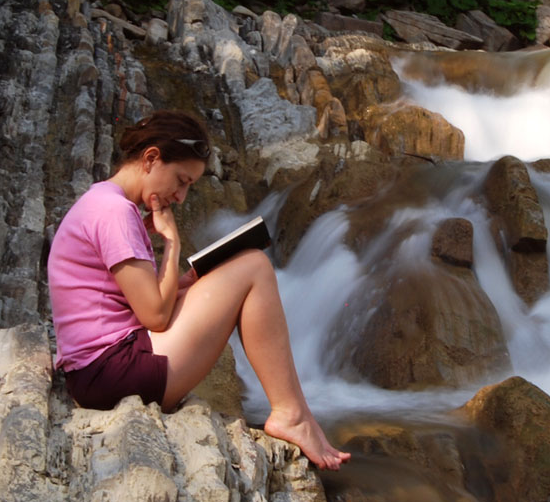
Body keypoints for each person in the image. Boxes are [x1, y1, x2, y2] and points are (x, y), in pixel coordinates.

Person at [47, 110, 349, 470]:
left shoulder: (103, 201)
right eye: (181, 180)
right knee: (254, 265)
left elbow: (131, 304)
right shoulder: (115, 214)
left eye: (189, 185)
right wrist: (172, 243)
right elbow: (156, 317)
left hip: (97, 370)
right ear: (151, 158)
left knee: (237, 268)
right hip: (110, 373)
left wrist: (187, 284)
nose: (181, 196)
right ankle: (291, 414)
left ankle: (294, 412)